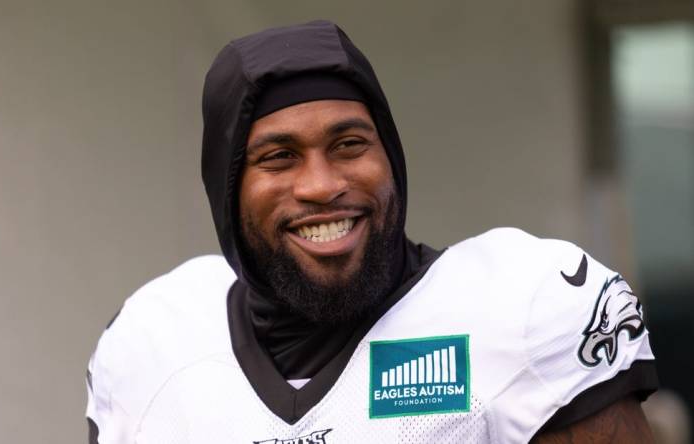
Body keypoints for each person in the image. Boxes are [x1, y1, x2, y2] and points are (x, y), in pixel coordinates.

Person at [85, 20, 657, 443]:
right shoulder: (154, 342)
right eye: (279, 156)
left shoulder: (522, 309)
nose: (321, 184)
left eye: (349, 144)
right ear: (225, 189)